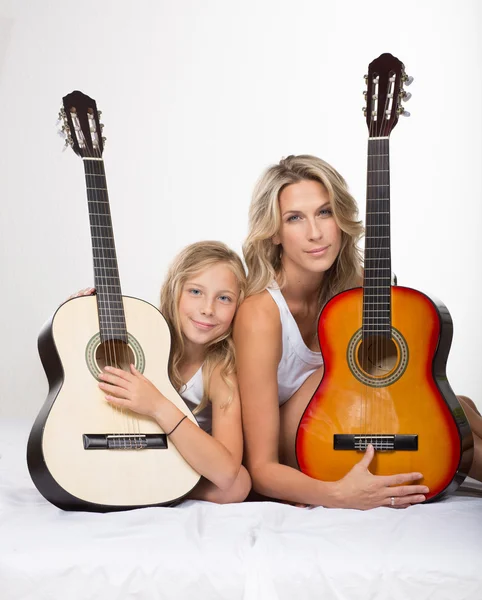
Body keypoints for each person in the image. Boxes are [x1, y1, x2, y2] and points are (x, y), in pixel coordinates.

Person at [233, 154, 481, 510]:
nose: (315, 233)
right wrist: (338, 496)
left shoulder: (361, 287)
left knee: (462, 410)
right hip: (302, 449)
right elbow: (260, 467)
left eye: (324, 212)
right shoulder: (261, 313)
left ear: (341, 217)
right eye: (294, 218)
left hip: (351, 424)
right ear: (274, 232)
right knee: (451, 423)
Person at [77, 241, 251, 503]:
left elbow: (227, 473)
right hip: (128, 441)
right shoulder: (146, 335)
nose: (208, 308)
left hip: (182, 457)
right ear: (174, 291)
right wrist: (77, 316)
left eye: (224, 298)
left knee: (239, 484)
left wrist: (157, 405)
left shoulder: (220, 369)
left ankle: (160, 489)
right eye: (195, 291)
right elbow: (101, 367)